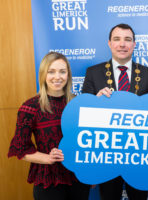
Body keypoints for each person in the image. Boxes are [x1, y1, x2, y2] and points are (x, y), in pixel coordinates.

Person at [82, 23, 148, 200]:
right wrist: (95, 102)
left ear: (134, 45)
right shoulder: (93, 73)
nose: (122, 44)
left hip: (139, 155)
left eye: (127, 39)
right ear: (109, 43)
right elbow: (83, 115)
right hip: (107, 155)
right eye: (117, 39)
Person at [7, 52, 90, 200]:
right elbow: (21, 149)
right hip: (49, 181)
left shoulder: (79, 103)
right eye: (51, 72)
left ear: (68, 75)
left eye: (62, 72)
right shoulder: (30, 107)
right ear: (43, 74)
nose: (57, 77)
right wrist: (48, 158)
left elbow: (91, 140)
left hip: (79, 179)